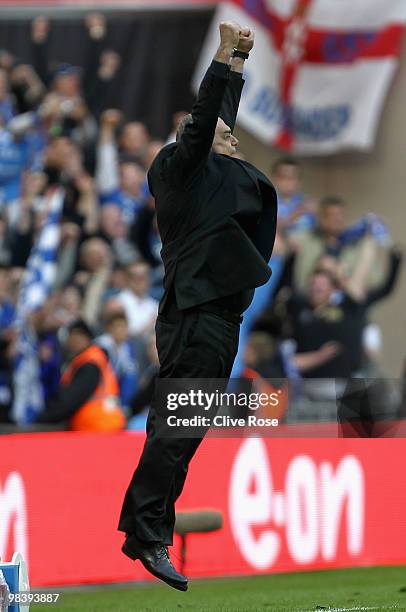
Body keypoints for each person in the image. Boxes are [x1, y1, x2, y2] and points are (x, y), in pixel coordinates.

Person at [117, 22, 277, 591]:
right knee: (176, 429)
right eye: (222, 137)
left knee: (185, 430)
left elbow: (219, 117)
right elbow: (208, 119)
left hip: (217, 321)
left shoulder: (207, 173)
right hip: (195, 317)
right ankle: (145, 533)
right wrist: (220, 59)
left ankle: (149, 528)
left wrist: (237, 66)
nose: (233, 141)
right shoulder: (177, 170)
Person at [37, 319, 125, 431]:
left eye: (71, 335)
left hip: (95, 427)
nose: (69, 341)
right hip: (105, 425)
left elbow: (70, 401)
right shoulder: (94, 359)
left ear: (81, 337)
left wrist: (42, 420)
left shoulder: (89, 364)